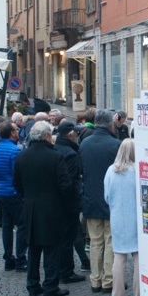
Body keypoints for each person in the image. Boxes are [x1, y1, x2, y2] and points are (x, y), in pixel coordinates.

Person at [14, 121, 75, 296]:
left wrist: (29, 196)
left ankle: (32, 285)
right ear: (47, 136)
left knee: (33, 248)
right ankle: (50, 286)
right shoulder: (55, 157)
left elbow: (16, 184)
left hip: (31, 208)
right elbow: (66, 185)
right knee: (52, 248)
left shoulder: (22, 156)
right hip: (52, 208)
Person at [81, 109, 120, 293]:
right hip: (111, 199)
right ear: (110, 124)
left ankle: (95, 279)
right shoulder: (115, 145)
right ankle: (108, 280)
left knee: (95, 242)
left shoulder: (85, 143)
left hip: (90, 197)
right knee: (110, 240)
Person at [102, 139, 139, 296]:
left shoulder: (111, 170)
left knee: (119, 258)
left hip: (118, 216)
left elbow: (107, 196)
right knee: (139, 259)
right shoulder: (138, 171)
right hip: (136, 217)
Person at [53, 121, 88, 282]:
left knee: (62, 237)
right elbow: (70, 181)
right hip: (69, 203)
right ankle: (66, 272)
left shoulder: (56, 148)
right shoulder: (71, 153)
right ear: (70, 135)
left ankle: (63, 269)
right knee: (69, 237)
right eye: (75, 133)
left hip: (58, 202)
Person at [0, 119, 27, 272]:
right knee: (21, 225)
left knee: (6, 225)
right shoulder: (15, 151)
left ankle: (8, 258)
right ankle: (20, 258)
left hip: (1, 191)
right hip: (13, 192)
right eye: (16, 130)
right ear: (12, 133)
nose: (18, 132)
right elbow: (17, 175)